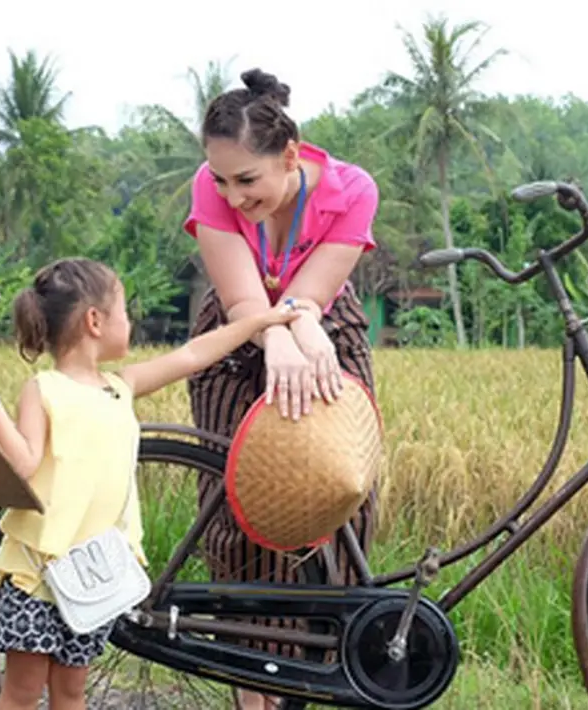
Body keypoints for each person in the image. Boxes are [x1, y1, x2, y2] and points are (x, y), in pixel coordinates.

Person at [0, 257, 299, 710]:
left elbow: (192, 354)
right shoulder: (44, 389)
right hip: (39, 574)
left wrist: (263, 320)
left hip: (94, 577)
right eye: (125, 312)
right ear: (95, 321)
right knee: (23, 691)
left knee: (72, 690)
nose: (131, 322)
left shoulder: (120, 387)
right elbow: (25, 463)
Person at [182, 68, 381, 710]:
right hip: (237, 331)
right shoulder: (210, 191)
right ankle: (251, 693)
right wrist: (278, 337)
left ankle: (314, 677)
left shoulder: (352, 191)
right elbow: (243, 299)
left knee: (340, 491)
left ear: (291, 157)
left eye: (248, 180)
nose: (234, 196)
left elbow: (312, 292)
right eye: (221, 180)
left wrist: (302, 325)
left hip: (323, 326)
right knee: (237, 509)